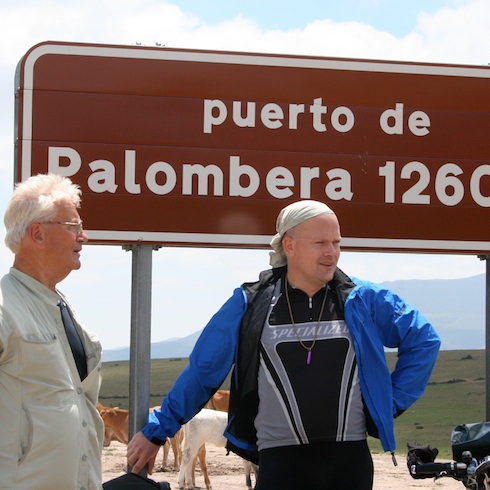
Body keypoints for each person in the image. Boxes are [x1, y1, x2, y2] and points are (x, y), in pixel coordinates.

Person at [127, 200, 441, 489]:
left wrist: (389, 403)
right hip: (280, 464)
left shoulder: (364, 299)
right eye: (320, 243)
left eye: (336, 242)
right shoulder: (249, 304)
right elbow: (203, 372)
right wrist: (158, 431)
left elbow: (424, 339)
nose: (331, 252)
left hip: (349, 463)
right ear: (289, 245)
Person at [0, 174, 104, 489]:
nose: (83, 237)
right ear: (38, 234)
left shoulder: (61, 307)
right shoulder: (5, 308)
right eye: (73, 227)